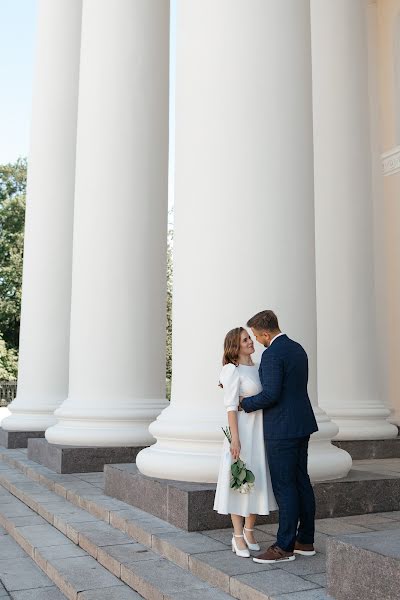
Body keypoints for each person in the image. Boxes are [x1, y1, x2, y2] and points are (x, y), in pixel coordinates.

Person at [240, 310, 318, 564]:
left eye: (255, 335)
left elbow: (271, 395)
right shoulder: (297, 348)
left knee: (285, 487)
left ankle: (284, 546)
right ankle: (305, 540)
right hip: (302, 424)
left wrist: (245, 403)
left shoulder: (272, 354)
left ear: (264, 333)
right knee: (301, 482)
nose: (256, 340)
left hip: (282, 430)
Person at [213, 327, 277, 558]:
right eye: (244, 340)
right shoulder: (232, 370)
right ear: (235, 346)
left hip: (259, 433)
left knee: (256, 479)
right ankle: (237, 535)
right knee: (239, 482)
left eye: (249, 338)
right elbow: (231, 407)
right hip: (242, 433)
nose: (250, 342)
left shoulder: (259, 367)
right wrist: (235, 440)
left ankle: (250, 531)